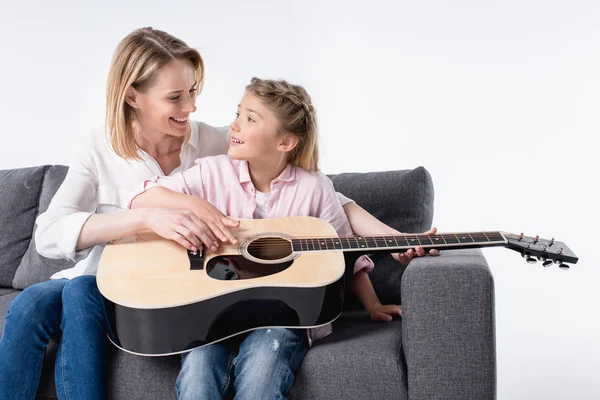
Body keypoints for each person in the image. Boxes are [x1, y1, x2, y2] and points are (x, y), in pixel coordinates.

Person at [0, 27, 433, 400]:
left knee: (78, 296)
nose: (191, 108)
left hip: (186, 290)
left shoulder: (219, 142)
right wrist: (152, 217)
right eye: (175, 97)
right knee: (34, 302)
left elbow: (317, 201)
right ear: (133, 96)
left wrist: (396, 237)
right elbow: (52, 233)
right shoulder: (99, 147)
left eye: (193, 92)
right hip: (113, 276)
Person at [129, 77, 423, 400]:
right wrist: (194, 205)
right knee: (197, 374)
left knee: (261, 377)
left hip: (286, 317)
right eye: (238, 114)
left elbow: (344, 254)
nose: (234, 125)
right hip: (214, 314)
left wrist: (373, 304)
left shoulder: (314, 188)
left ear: (285, 142)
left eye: (250, 119)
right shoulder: (212, 173)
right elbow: (142, 198)